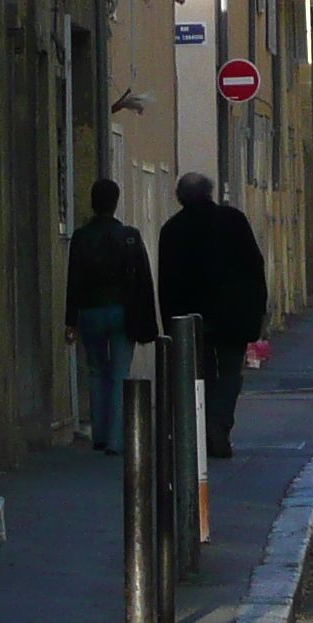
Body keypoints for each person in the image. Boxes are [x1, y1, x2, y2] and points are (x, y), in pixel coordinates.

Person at [157, 172, 268, 457]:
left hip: (191, 319)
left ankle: (204, 428)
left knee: (199, 376)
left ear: (180, 197)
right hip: (234, 315)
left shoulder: (172, 229)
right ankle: (219, 424)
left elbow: (166, 281)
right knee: (231, 374)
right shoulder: (233, 220)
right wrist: (256, 311)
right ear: (209, 192)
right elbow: (254, 267)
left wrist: (169, 322)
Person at [65, 177, 158, 452]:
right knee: (119, 374)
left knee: (95, 371)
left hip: (90, 311)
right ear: (115, 203)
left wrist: (70, 320)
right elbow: (143, 280)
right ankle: (117, 440)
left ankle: (100, 435)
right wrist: (147, 323)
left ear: (93, 203)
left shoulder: (81, 237)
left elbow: (74, 281)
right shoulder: (129, 236)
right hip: (121, 311)